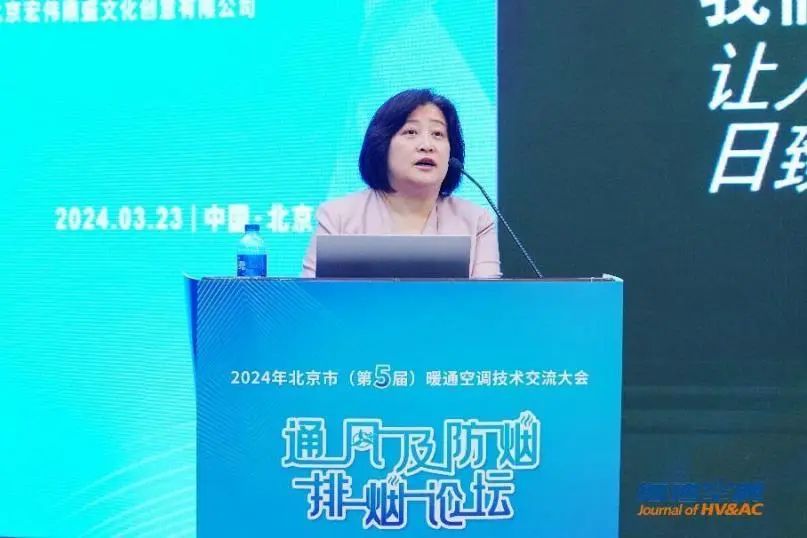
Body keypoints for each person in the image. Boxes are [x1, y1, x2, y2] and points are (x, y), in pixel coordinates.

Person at [301, 88, 501, 278]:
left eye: (438, 134)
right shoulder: (338, 217)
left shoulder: (476, 221)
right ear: (382, 144)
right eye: (411, 132)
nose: (427, 146)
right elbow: (309, 297)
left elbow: (488, 298)